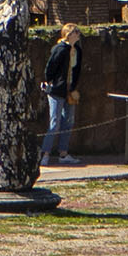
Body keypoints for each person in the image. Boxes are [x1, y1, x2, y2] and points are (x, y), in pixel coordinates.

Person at [40, 28, 81, 169]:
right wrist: (51, 82)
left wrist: (73, 86)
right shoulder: (60, 49)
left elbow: (77, 69)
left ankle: (63, 153)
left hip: (70, 89)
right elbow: (50, 68)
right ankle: (45, 153)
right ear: (69, 34)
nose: (78, 35)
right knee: (55, 121)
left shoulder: (77, 51)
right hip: (57, 90)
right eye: (76, 32)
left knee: (68, 121)